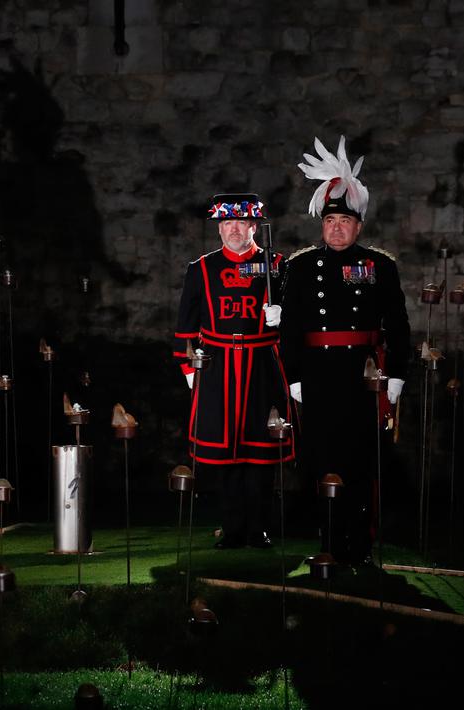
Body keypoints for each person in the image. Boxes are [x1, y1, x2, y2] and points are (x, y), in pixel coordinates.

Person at [280, 136, 411, 567]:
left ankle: (361, 543)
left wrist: (396, 377)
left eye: (345, 221)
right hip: (317, 376)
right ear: (322, 223)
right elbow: (292, 328)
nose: (336, 227)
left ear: (359, 226)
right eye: (330, 220)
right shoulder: (299, 267)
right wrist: (294, 376)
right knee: (321, 458)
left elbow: (398, 324)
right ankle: (329, 540)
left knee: (362, 461)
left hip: (363, 375)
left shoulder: (380, 266)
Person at [174, 193, 293, 549]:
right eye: (227, 223)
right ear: (219, 229)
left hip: (260, 365)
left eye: (241, 223)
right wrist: (188, 367)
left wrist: (282, 316)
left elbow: (298, 315)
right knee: (224, 454)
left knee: (260, 450)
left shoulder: (276, 265)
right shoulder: (201, 268)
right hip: (218, 366)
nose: (233, 229)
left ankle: (259, 529)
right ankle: (232, 528)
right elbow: (185, 325)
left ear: (254, 226)